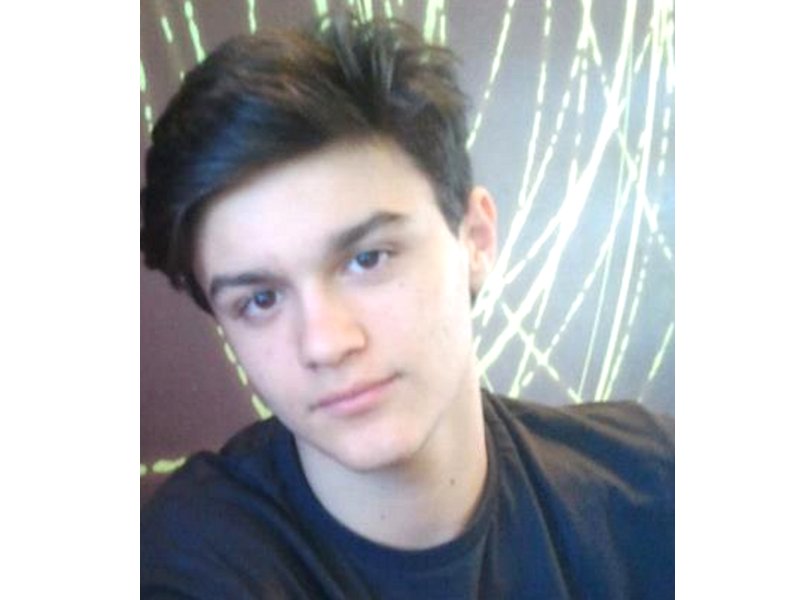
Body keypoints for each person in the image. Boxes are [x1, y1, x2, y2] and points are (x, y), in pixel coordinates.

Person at [140, 12, 674, 599]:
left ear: (475, 239)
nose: (325, 343)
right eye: (261, 299)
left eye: (368, 259)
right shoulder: (187, 563)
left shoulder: (654, 484)